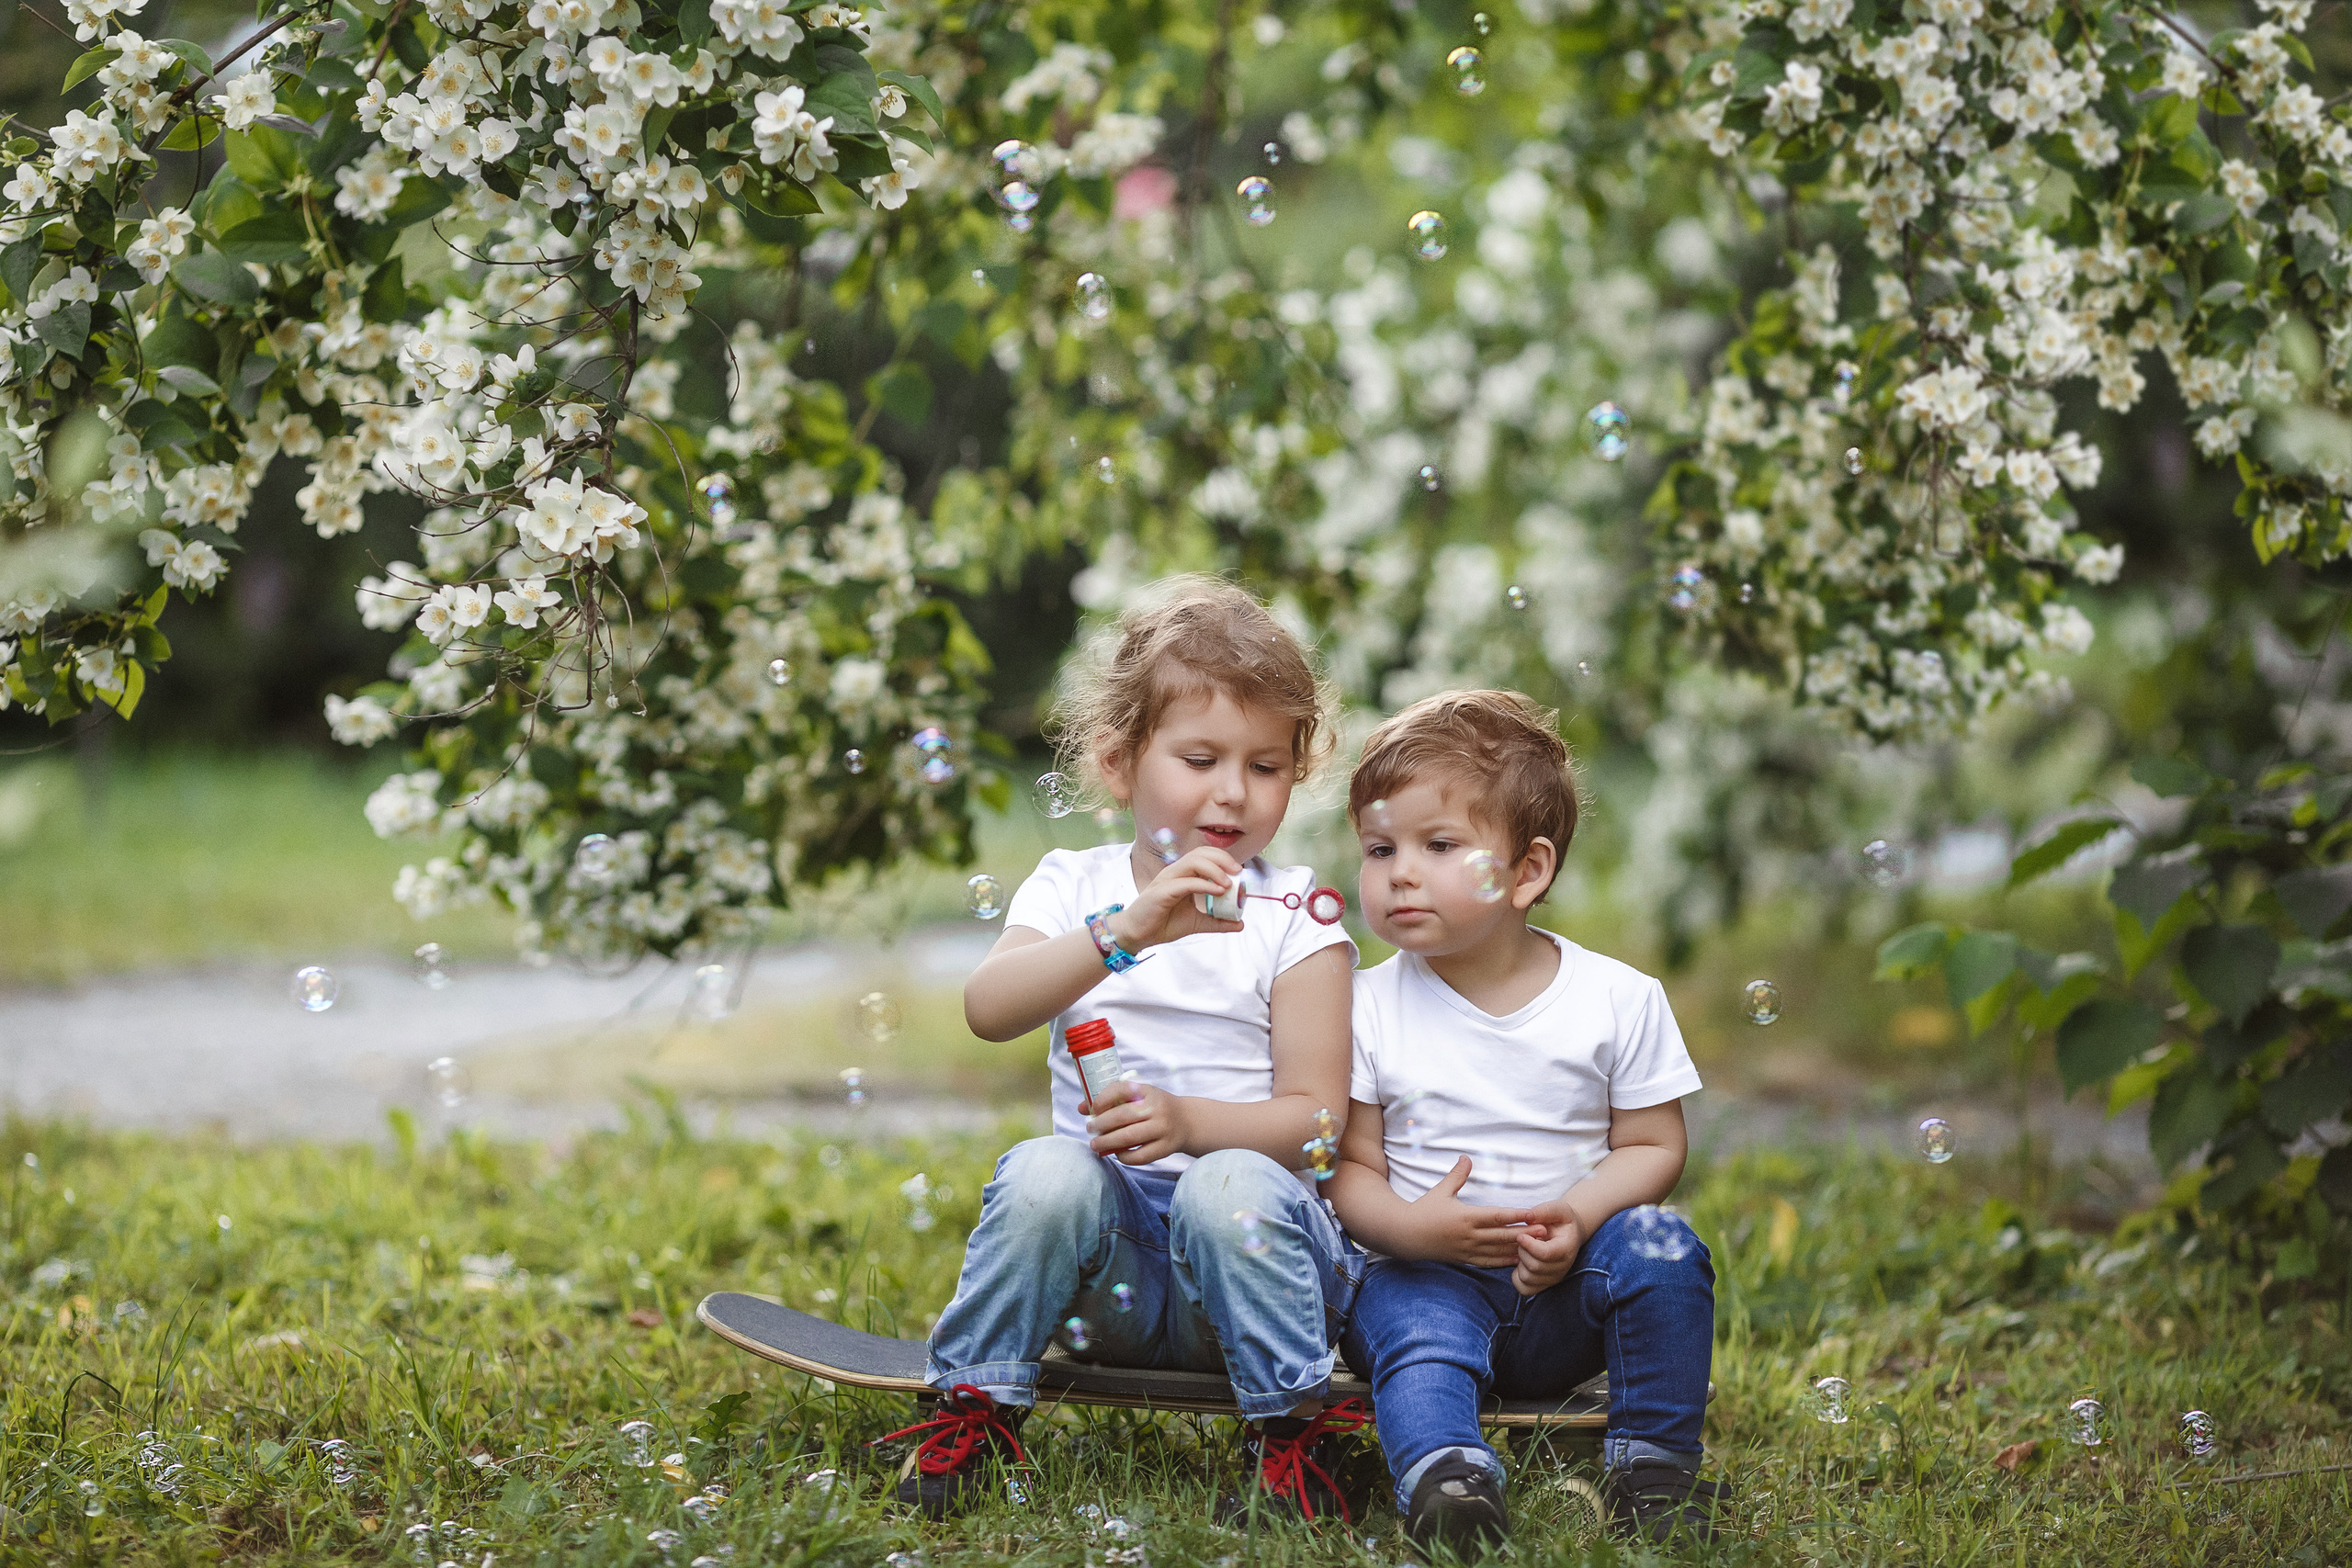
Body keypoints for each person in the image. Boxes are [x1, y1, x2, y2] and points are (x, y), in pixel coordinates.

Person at [886, 576, 1366, 1521]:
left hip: (1250, 1280)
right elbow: (990, 1008)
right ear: (1117, 764)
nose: (1233, 791)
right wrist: (1126, 933)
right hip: (1102, 1287)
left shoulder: (1295, 919)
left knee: (1225, 1181)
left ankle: (1292, 1441)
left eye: (1265, 766)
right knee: (1044, 1173)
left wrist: (1190, 1123)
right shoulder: (1075, 890)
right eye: (1200, 757)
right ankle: (971, 1408)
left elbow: (1318, 1122)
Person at [1327, 690, 1724, 1549]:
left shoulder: (1617, 998)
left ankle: (1653, 1467)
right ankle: (1448, 1472)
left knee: (1663, 1249)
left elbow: (1655, 1143)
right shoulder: (1363, 1005)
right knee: (1407, 1315)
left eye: (1438, 846)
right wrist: (1415, 1228)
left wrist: (1579, 1217)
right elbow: (1348, 1168)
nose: (1398, 872)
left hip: (1568, 1288)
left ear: (1527, 871)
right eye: (1378, 847)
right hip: (1424, 1277)